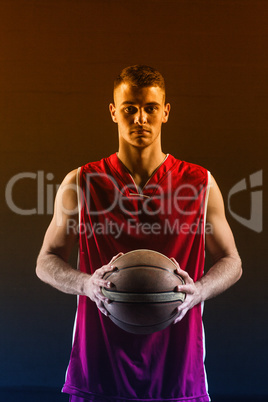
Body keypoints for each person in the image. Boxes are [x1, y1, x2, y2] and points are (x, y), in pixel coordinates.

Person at [36, 65, 242, 402]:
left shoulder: (201, 183)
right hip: (98, 373)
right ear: (114, 112)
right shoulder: (81, 181)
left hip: (178, 375)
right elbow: (46, 260)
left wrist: (200, 290)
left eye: (150, 108)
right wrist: (86, 284)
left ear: (165, 112)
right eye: (130, 108)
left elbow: (232, 261)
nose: (140, 118)